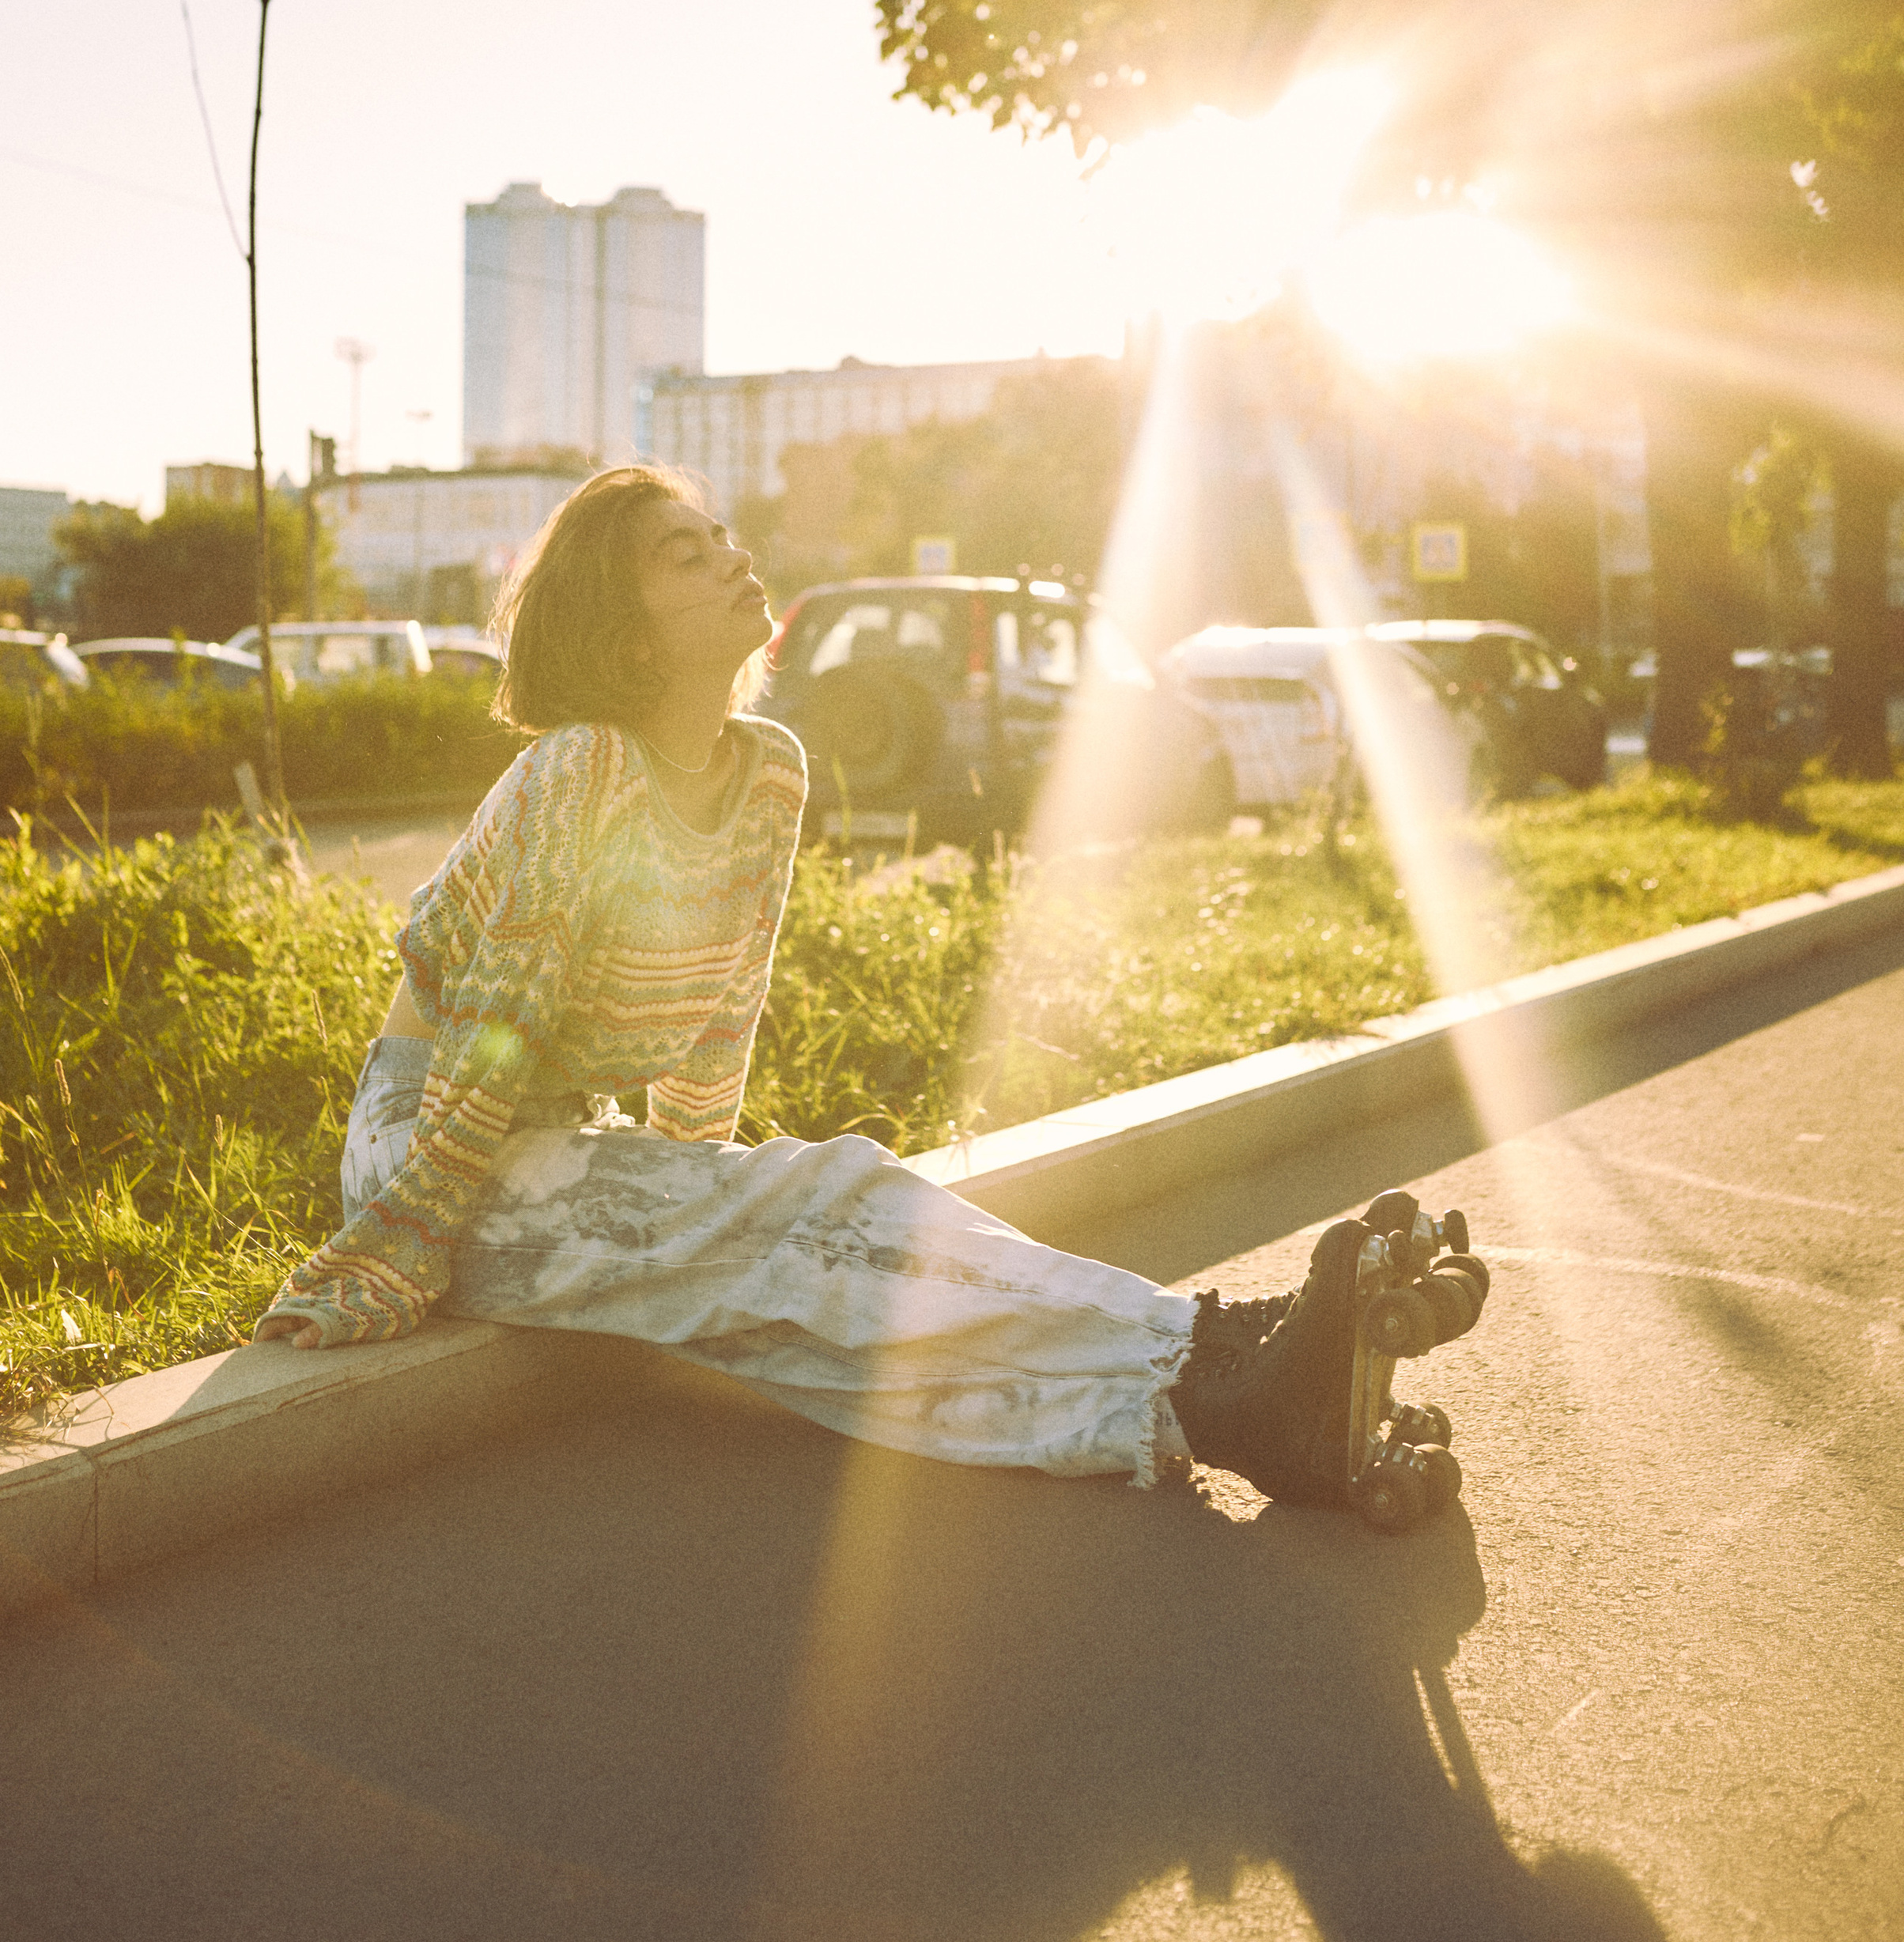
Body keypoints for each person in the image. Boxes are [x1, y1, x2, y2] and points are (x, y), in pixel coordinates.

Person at [256, 467, 1487, 1503]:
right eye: (684, 557)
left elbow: (723, 1017)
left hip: (566, 1156)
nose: (732, 557)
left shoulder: (771, 772)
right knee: (826, 1206)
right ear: (628, 635)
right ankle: (1218, 1344)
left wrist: (717, 1197)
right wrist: (403, 1242)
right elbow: (497, 1038)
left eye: (718, 535)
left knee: (812, 1306)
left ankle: (1216, 1415)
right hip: (433, 1151)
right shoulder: (578, 773)